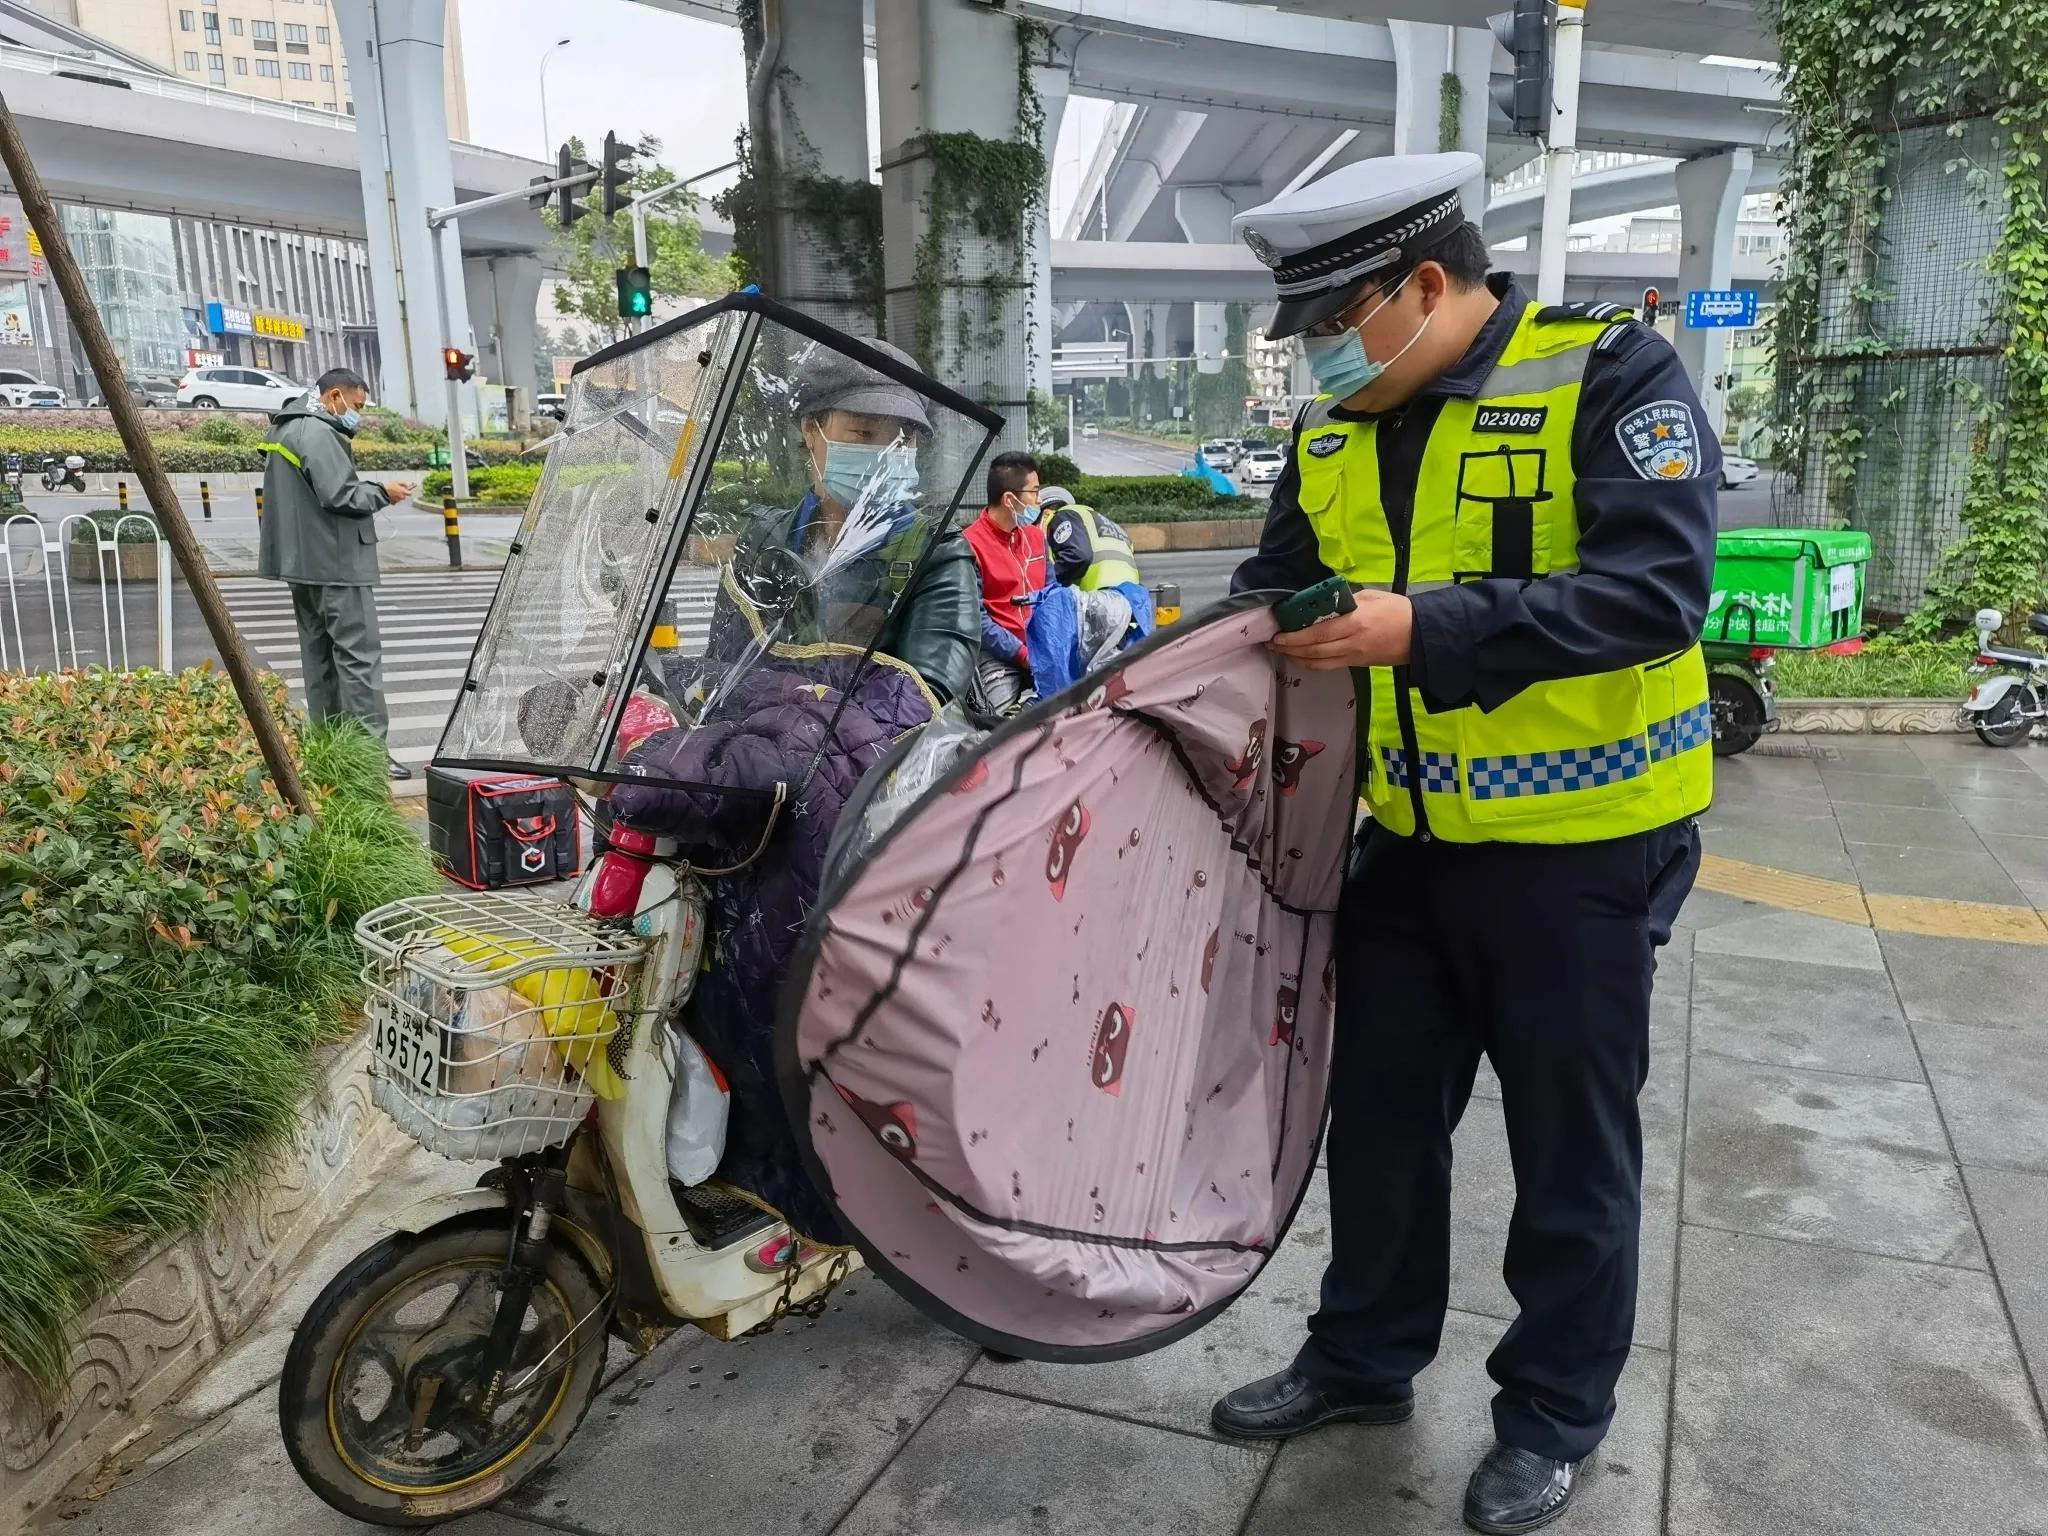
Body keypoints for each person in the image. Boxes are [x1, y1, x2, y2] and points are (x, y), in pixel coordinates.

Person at [1212, 152, 1715, 1535]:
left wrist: (1421, 630)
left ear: (1426, 286)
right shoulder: (1331, 432)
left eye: (1331, 324)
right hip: (1406, 848)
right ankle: (1364, 1358)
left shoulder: (1607, 375)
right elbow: (1276, 576)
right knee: (1374, 1126)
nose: (1314, 358)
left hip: (1585, 852)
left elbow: (1656, 590)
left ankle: (1552, 1414)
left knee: (1570, 1152)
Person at [713, 336, 980, 706]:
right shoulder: (763, 542)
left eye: (904, 440)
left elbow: (926, 700)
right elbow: (721, 674)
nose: (886, 453)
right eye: (864, 433)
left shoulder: (938, 554)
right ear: (811, 430)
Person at [256, 367, 413, 780]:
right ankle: (368, 754)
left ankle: (330, 749)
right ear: (335, 396)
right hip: (337, 564)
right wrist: (384, 492)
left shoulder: (286, 430)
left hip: (302, 565)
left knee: (319, 661)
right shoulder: (318, 432)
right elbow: (339, 493)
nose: (357, 414)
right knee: (359, 661)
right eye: (356, 405)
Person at [960, 451, 1048, 712]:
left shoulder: (1036, 538)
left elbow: (1053, 596)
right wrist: (1022, 655)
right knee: (995, 728)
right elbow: (977, 619)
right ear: (1010, 499)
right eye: (1034, 492)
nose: (1039, 500)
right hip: (999, 658)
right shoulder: (969, 545)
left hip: (1041, 651)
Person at [1039, 487, 1141, 592]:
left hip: (1101, 597)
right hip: (1132, 596)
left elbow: (1078, 556)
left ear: (1046, 514)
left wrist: (1047, 580)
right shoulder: (1107, 524)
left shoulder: (1060, 517)